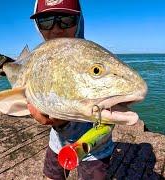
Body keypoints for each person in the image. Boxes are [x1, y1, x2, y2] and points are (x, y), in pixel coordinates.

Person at [29, 0, 115, 179]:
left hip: (94, 148)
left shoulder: (94, 59)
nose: (56, 29)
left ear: (80, 21)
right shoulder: (41, 61)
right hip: (58, 143)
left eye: (66, 19)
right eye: (46, 20)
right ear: (37, 26)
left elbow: (114, 109)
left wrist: (63, 121)